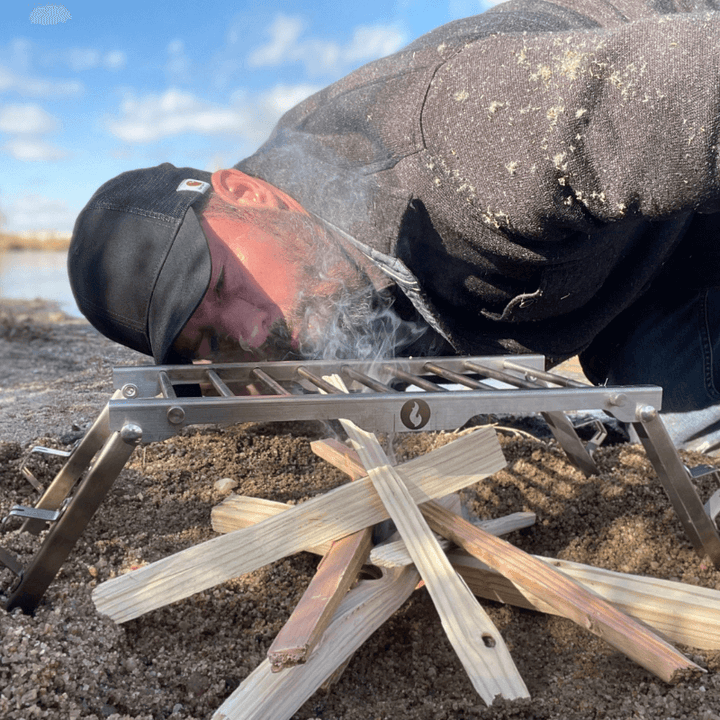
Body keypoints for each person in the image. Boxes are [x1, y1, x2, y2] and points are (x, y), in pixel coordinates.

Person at [68, 0, 720, 452]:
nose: (249, 331)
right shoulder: (301, 264)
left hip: (684, 190)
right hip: (606, 264)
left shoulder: (455, 138)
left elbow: (697, 87)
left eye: (219, 288)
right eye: (205, 341)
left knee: (693, 445)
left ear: (246, 194)